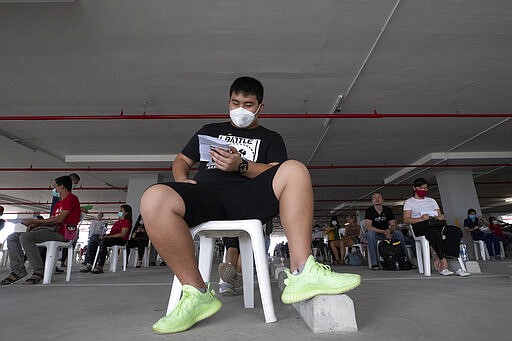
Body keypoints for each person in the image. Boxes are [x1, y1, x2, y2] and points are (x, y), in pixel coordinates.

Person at [140, 76, 361, 334]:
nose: (240, 110)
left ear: (260, 108)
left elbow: (275, 173)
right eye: (235, 103)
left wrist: (240, 165)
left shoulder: (270, 138)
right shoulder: (209, 129)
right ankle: (196, 293)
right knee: (153, 198)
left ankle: (303, 272)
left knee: (295, 170)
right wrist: (182, 179)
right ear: (228, 102)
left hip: (249, 199)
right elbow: (181, 160)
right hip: (206, 197)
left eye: (248, 104)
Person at [1, 176, 81, 285]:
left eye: (55, 186)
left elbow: (59, 219)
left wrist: (36, 222)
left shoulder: (71, 198)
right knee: (12, 237)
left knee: (26, 237)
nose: (54, 189)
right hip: (52, 231)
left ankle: (39, 271)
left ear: (61, 186)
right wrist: (35, 225)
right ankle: (18, 270)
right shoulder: (58, 204)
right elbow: (53, 222)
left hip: (64, 234)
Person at [403, 177, 469, 276]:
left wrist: (440, 217)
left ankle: (452, 259)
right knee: (434, 233)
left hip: (435, 223)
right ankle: (443, 260)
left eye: (425, 188)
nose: (423, 190)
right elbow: (406, 219)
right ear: (414, 188)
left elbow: (440, 214)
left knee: (455, 231)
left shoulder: (432, 201)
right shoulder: (409, 202)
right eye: (420, 188)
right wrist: (421, 218)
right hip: (420, 225)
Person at [82, 204, 132, 274]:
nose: (119, 212)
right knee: (93, 243)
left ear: (126, 213)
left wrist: (107, 237)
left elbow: (122, 234)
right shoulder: (117, 222)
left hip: (121, 240)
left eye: (121, 211)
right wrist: (105, 236)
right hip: (112, 238)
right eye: (119, 210)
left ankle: (100, 266)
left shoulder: (126, 222)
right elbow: (111, 233)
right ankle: (92, 264)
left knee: (103, 242)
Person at [365, 192, 408, 270]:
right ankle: (375, 263)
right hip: (376, 233)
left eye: (379, 197)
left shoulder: (388, 210)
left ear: (382, 200)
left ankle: (405, 260)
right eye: (375, 198)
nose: (377, 199)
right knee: (370, 234)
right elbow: (369, 227)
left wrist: (390, 231)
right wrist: (384, 231)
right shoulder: (369, 210)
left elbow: (393, 225)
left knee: (398, 233)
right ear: (372, 201)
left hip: (387, 232)